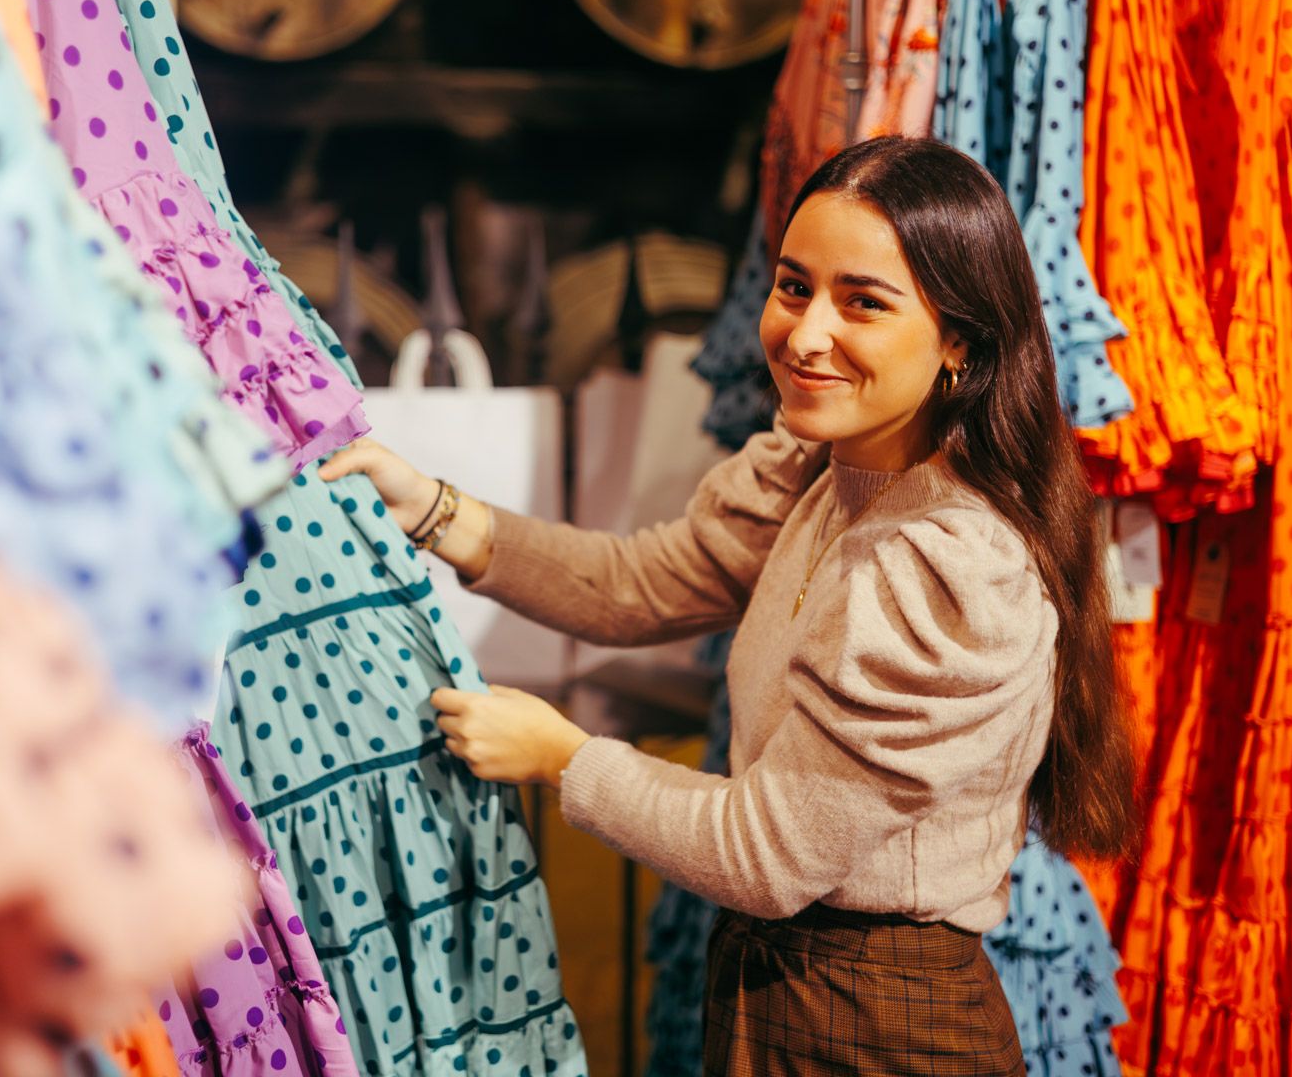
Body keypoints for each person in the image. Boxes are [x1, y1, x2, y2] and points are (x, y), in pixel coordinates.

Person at [319, 136, 1137, 1077]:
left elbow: (767, 853)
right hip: (777, 980)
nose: (806, 333)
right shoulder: (824, 474)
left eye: (862, 303)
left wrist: (563, 757)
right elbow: (635, 585)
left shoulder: (948, 573)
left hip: (883, 1022)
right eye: (794, 288)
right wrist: (430, 505)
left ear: (960, 341)